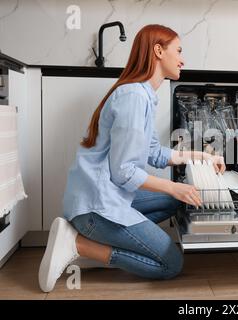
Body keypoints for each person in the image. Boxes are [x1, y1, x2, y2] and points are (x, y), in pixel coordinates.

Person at [38, 24, 225, 293]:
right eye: (179, 51)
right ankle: (79, 244)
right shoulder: (134, 96)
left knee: (176, 201)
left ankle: (122, 234)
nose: (183, 59)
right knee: (170, 264)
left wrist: (202, 157)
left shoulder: (143, 95)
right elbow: (124, 172)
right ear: (158, 51)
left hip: (108, 196)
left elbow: (154, 153)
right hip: (96, 208)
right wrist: (174, 186)